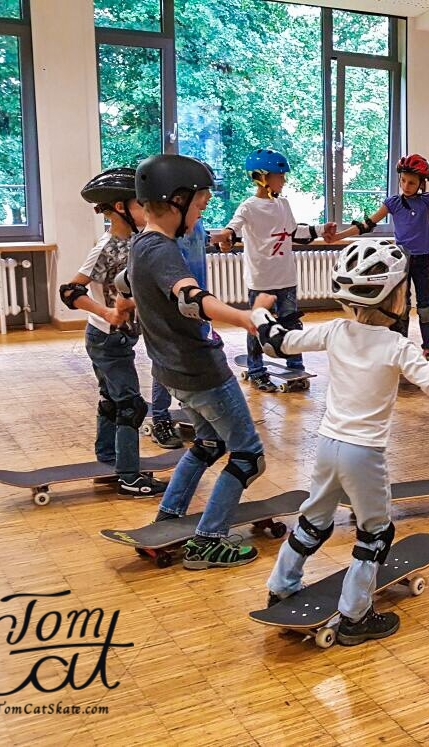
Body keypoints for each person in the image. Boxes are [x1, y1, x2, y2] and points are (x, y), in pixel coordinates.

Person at [256, 238, 429, 645]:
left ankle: (282, 585)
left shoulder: (335, 330)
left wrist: (259, 311)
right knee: (375, 534)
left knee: (314, 518)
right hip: (364, 455)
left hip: (327, 445)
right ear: (394, 297)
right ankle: (355, 618)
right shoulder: (398, 346)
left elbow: (277, 342)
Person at [118, 153, 268, 570]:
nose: (201, 214)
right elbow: (189, 297)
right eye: (200, 205)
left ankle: (169, 519)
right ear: (178, 200)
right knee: (248, 455)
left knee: (207, 443)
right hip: (202, 370)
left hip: (172, 371)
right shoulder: (162, 250)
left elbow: (129, 284)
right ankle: (209, 539)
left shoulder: (140, 246)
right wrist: (244, 317)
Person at [57, 167, 167, 496]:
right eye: (138, 205)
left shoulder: (139, 240)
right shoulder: (106, 247)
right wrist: (106, 312)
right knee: (132, 405)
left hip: (122, 339)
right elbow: (70, 292)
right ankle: (130, 478)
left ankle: (107, 458)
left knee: (112, 400)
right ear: (120, 208)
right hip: (106, 339)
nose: (145, 211)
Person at [208, 148, 333, 392]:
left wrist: (321, 230)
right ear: (263, 177)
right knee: (257, 326)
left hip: (286, 277)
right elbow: (232, 230)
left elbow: (295, 233)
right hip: (261, 280)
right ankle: (256, 369)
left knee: (291, 324)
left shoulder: (283, 204)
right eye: (280, 176)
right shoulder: (248, 207)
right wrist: (221, 238)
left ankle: (295, 366)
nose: (284, 180)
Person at [326, 154, 429, 363]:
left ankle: (428, 349)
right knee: (401, 305)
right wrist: (338, 237)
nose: (406, 185)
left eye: (412, 182)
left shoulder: (425, 199)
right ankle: (399, 345)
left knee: (424, 306)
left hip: (421, 260)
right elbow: (367, 224)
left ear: (421, 183)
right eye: (403, 180)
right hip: (400, 260)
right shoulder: (392, 203)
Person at [149, 217, 212, 449]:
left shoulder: (197, 222)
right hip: (171, 305)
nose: (205, 202)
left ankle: (199, 415)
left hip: (196, 304)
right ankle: (160, 420)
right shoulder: (164, 228)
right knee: (166, 363)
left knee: (195, 360)